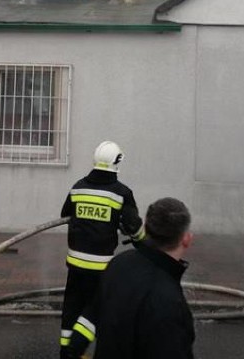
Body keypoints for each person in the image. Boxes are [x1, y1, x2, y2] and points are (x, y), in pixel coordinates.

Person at [67, 197, 195, 359]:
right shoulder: (169, 301)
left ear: (146, 230)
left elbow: (94, 309)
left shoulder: (118, 264)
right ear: (186, 239)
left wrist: (75, 345)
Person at [58, 140, 145, 358]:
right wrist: (143, 244)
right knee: (96, 310)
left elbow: (65, 214)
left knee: (72, 307)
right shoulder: (122, 193)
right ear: (117, 162)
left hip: (75, 265)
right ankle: (94, 352)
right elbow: (133, 227)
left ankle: (67, 352)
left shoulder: (78, 187)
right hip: (101, 267)